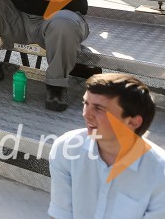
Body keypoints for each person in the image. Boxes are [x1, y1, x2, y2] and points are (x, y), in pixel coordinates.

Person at [49, 73, 165, 218]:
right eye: (85, 103)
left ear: (133, 122)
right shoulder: (65, 148)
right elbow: (61, 214)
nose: (86, 114)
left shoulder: (160, 174)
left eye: (98, 108)